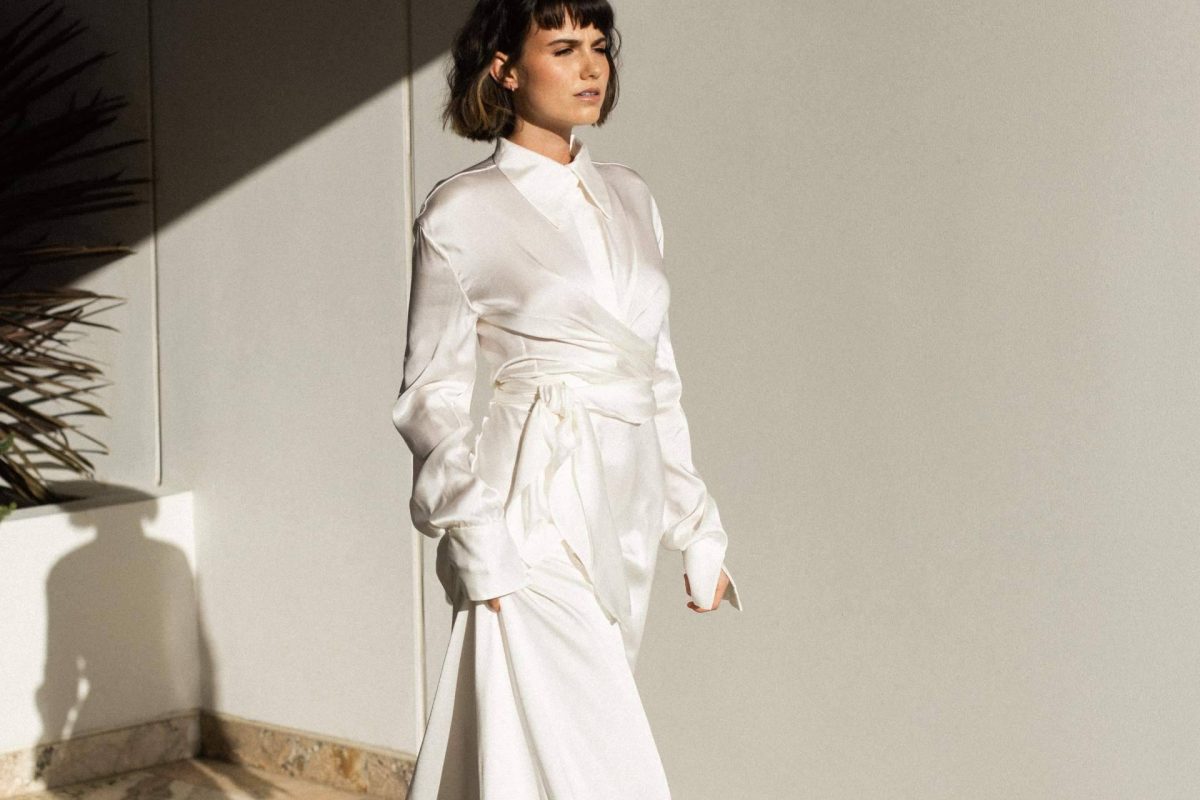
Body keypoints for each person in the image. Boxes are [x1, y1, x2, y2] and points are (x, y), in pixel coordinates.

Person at [391, 1, 744, 796]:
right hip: (528, 510)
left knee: (548, 760)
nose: (590, 66)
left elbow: (655, 375)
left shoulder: (632, 196)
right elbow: (429, 395)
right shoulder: (461, 211)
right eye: (561, 47)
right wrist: (477, 531)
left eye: (598, 45)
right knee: (602, 769)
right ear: (506, 71)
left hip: (626, 502)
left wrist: (696, 526)